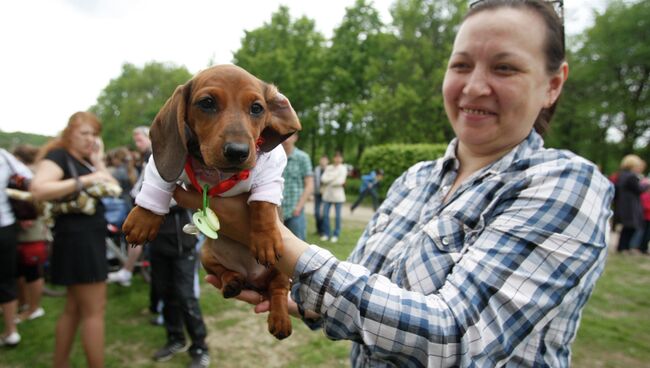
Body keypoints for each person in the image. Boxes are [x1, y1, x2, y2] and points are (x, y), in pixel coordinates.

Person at [174, 1, 615, 366]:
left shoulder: (567, 185)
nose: (475, 86)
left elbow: (452, 340)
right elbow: (368, 291)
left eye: (505, 68)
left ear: (553, 84)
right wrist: (299, 301)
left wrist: (260, 229)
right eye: (461, 65)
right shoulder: (414, 181)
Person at [31, 111, 118, 367]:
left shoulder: (85, 160)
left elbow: (113, 187)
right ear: (70, 133)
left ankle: (60, 364)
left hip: (83, 239)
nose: (91, 138)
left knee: (74, 308)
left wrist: (97, 162)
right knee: (94, 311)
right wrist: (86, 179)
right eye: (84, 133)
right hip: (80, 241)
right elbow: (38, 188)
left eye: (94, 134)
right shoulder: (59, 156)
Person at [108, 127, 151, 287]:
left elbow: (143, 184)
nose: (137, 144)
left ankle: (127, 270)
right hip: (136, 203)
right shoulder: (145, 157)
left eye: (140, 140)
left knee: (135, 237)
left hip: (142, 206)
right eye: (136, 141)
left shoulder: (154, 155)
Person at [12, 144, 49, 324]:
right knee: (24, 269)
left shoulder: (31, 174)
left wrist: (28, 216)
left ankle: (34, 308)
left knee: (32, 270)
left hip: (32, 229)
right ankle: (24, 304)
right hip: (25, 229)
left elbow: (36, 199)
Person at [0, 148, 33, 347]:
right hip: (5, 225)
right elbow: (28, 178)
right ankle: (11, 331)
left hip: (5, 224)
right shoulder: (3, 155)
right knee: (6, 279)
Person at [280, 133, 313, 240]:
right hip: (276, 211)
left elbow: (309, 185)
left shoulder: (303, 157)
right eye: (283, 136)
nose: (286, 139)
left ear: (295, 138)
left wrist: (298, 207)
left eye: (289, 136)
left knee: (298, 248)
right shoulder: (274, 157)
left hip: (294, 211)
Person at [613, 154, 648, 253]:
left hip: (623, 204)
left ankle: (622, 247)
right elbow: (638, 189)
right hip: (630, 206)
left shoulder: (622, 175)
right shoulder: (631, 177)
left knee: (626, 227)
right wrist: (646, 185)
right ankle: (624, 247)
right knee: (629, 227)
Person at [320, 151, 347, 243]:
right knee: (325, 215)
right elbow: (323, 179)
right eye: (336, 157)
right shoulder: (329, 167)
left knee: (337, 217)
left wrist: (330, 179)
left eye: (339, 157)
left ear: (342, 159)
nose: (337, 159)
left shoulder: (343, 168)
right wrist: (334, 177)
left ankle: (336, 234)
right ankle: (326, 234)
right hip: (327, 195)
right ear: (333, 158)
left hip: (338, 196)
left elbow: (340, 181)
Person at [313, 154, 329, 236]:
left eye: (324, 160)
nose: (323, 162)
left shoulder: (329, 170)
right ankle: (318, 229)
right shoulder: (316, 169)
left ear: (327, 161)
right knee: (316, 213)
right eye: (322, 160)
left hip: (326, 195)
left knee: (323, 213)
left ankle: (322, 231)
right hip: (317, 193)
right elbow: (313, 181)